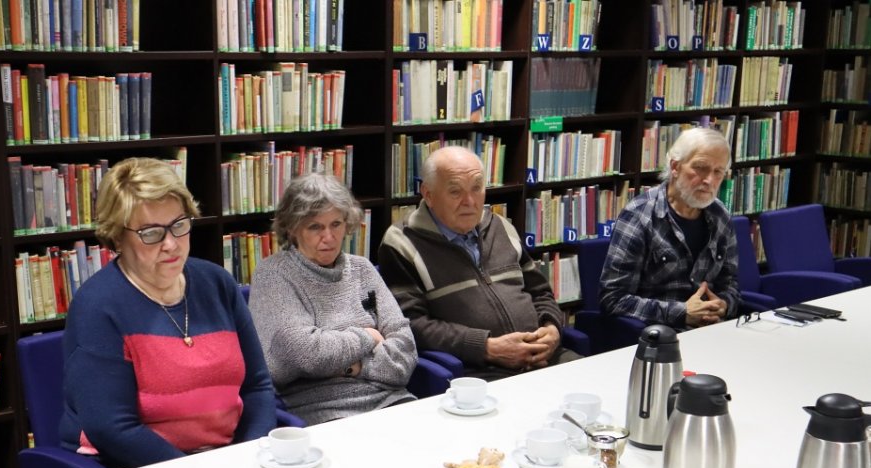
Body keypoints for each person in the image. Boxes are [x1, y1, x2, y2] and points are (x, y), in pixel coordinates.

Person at [60, 157, 276, 468]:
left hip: (226, 460)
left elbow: (257, 387)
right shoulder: (98, 306)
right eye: (151, 233)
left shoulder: (217, 283)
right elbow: (112, 429)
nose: (171, 244)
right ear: (118, 236)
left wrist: (247, 457)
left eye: (179, 225)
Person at [378, 145, 579, 381]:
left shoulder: (500, 227)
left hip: (546, 357)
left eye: (477, 188)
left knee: (604, 394)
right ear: (428, 194)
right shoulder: (401, 243)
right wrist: (487, 348)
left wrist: (551, 327)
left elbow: (540, 291)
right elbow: (412, 325)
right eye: (455, 191)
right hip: (480, 372)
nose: (470, 201)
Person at [247, 173, 417, 425]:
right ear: (293, 228)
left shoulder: (363, 269)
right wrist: (367, 336)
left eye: (336, 224)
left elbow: (406, 354)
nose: (328, 237)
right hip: (322, 413)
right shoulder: (274, 275)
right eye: (315, 227)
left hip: (394, 402)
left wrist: (353, 367)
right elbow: (305, 353)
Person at [599, 127, 740, 329]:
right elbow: (612, 299)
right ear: (675, 166)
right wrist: (682, 312)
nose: (709, 180)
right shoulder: (639, 215)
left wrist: (723, 305)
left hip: (712, 331)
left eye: (718, 172)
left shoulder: (720, 215)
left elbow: (731, 283)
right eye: (701, 168)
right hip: (660, 337)